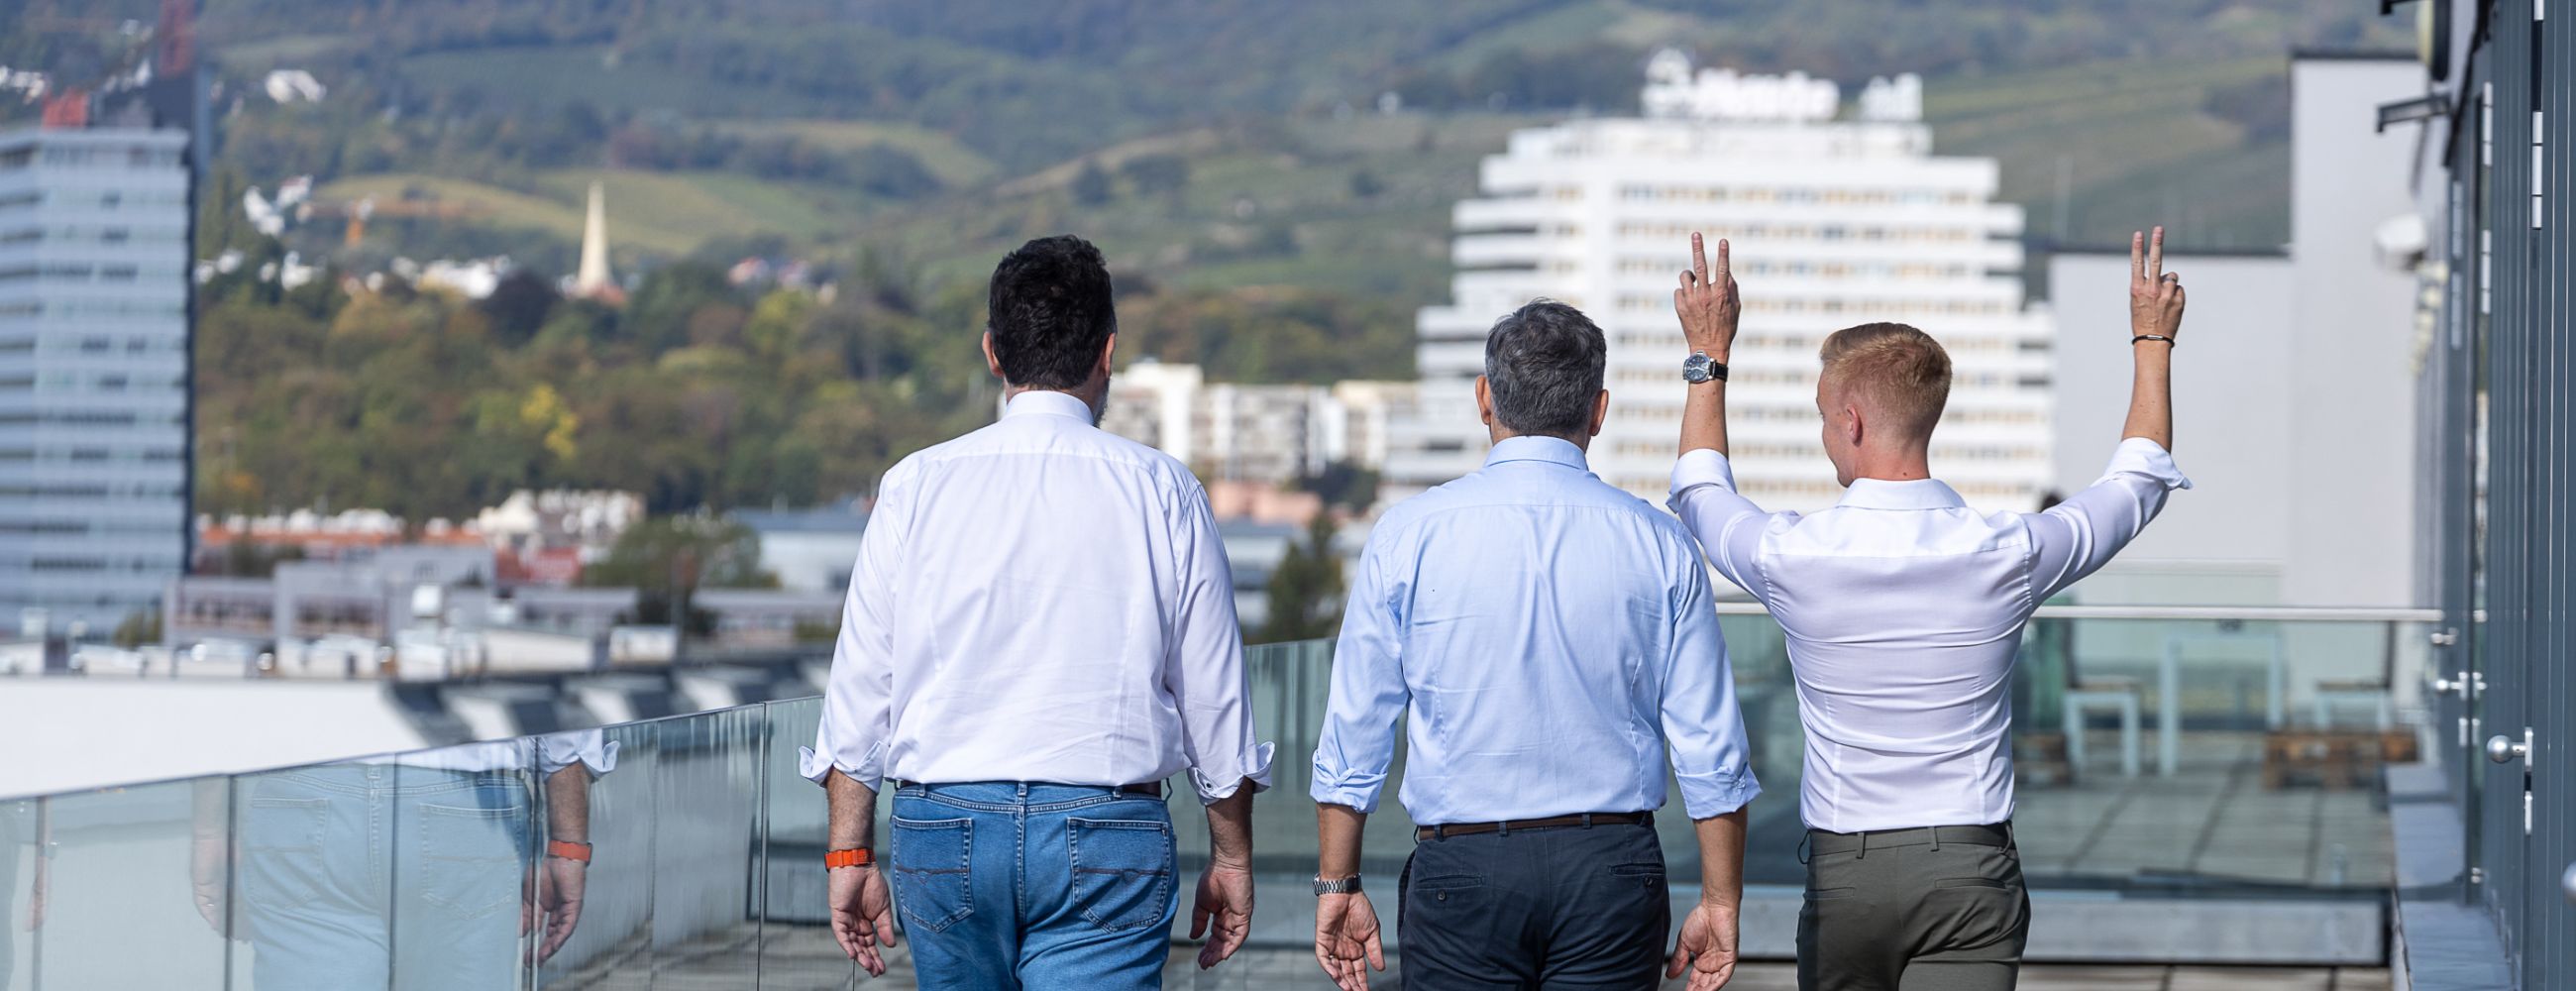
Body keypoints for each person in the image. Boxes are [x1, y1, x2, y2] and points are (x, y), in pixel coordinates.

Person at [1664, 230, 2192, 991]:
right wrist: (2152, 339)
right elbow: (2137, 485)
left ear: (1849, 421)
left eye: (1822, 418)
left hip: (1850, 873)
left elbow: (1699, 490)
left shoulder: (1793, 557)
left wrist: (1708, 354)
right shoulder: (2007, 551)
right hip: (1970, 871)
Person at [804, 235, 1272, 990]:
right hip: (1108, 831)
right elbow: (1214, 703)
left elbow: (862, 693)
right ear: (1108, 353)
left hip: (943, 827)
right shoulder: (1164, 490)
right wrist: (1232, 858)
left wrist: (849, 855)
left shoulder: (915, 484)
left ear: (993, 353)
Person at [1310, 299, 1762, 991]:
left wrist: (1337, 882)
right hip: (1611, 866)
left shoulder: (1408, 534)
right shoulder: (1658, 540)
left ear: (1484, 399)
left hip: (1461, 869)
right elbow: (1710, 744)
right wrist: (1721, 900)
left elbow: (1357, 727)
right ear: (1599, 410)